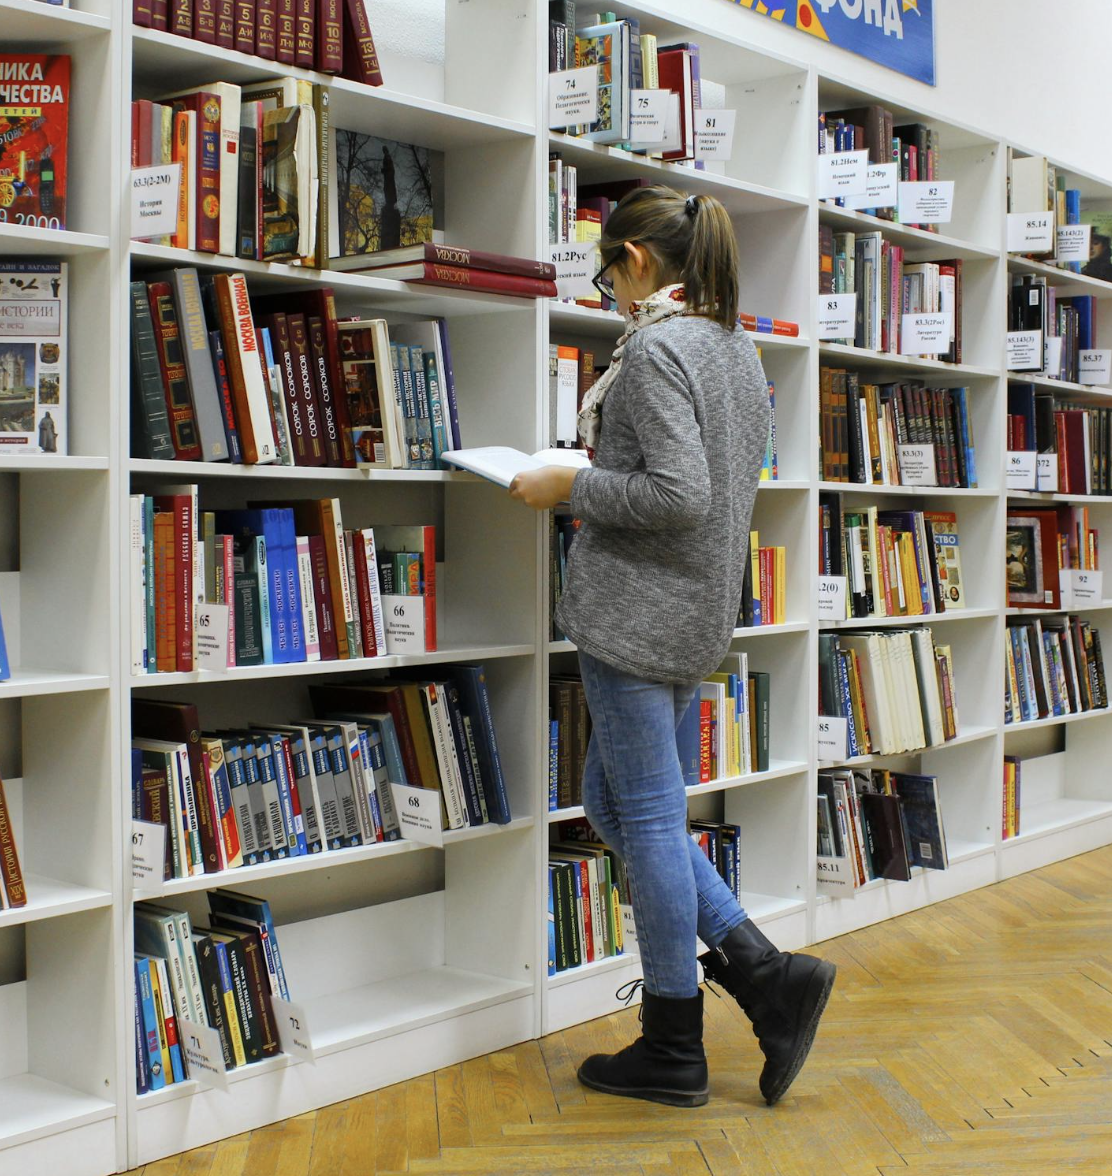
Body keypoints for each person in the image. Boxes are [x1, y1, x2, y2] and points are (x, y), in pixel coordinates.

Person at [510, 185, 835, 1109]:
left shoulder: (654, 350)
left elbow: (677, 495)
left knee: (645, 817)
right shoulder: (734, 347)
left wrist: (569, 484)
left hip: (637, 613)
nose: (607, 289)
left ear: (639, 262)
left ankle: (673, 1041)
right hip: (694, 611)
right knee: (611, 800)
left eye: (608, 270)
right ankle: (762, 969)